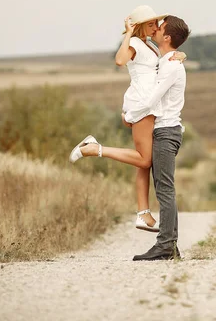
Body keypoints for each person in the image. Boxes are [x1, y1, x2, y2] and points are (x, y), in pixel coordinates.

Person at [70, 14, 191, 261]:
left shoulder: (171, 66)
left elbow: (151, 99)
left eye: (160, 27)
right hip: (163, 129)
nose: (155, 29)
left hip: (167, 131)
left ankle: (166, 245)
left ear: (166, 37)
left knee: (165, 189)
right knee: (161, 184)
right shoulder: (167, 60)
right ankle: (169, 245)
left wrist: (129, 116)